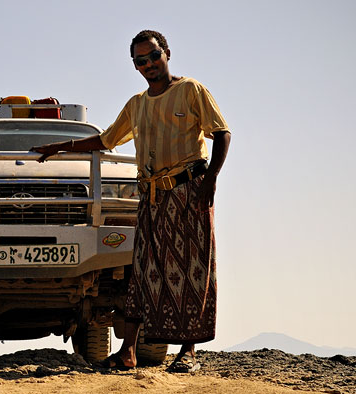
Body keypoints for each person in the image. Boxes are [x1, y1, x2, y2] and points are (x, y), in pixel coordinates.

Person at [32, 30, 230, 373]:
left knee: (191, 269)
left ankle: (188, 353)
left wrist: (210, 179)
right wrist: (60, 147)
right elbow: (106, 139)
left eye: (154, 56)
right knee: (143, 272)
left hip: (188, 190)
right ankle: (128, 352)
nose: (149, 64)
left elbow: (222, 132)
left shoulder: (190, 90)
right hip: (151, 196)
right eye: (141, 61)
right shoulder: (137, 104)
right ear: (135, 66)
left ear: (167, 53)